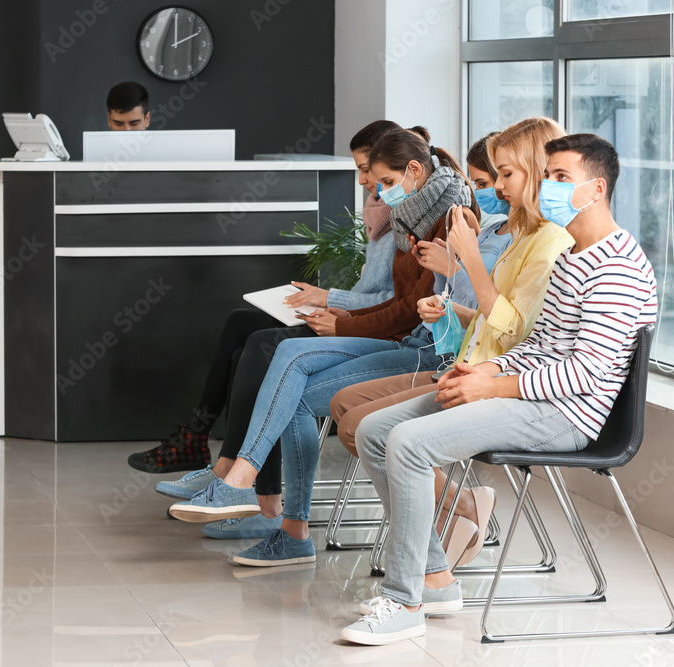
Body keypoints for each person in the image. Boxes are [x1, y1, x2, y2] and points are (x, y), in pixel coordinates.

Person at [339, 133, 657, 646]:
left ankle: (404, 599)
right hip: (526, 390)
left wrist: (496, 386)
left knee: (409, 443)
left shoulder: (616, 266)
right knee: (377, 431)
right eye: (547, 175)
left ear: (596, 189)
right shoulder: (574, 256)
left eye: (561, 178)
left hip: (565, 413)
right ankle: (436, 580)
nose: (547, 187)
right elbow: (539, 344)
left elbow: (585, 374)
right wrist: (483, 373)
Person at [166, 128, 480, 549]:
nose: (377, 191)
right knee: (288, 373)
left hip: (425, 353)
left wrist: (346, 323)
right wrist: (347, 315)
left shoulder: (449, 217)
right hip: (405, 341)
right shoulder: (414, 214)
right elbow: (404, 300)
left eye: (385, 182)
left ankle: (241, 479)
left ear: (415, 170)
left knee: (288, 353)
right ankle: (289, 529)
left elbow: (412, 309)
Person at [127, 122, 402, 538]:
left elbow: (394, 304)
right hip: (353, 317)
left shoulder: (404, 219)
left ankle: (247, 487)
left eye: (370, 172)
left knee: (262, 348)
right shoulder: (381, 211)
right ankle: (202, 444)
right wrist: (327, 297)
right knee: (242, 324)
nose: (364, 181)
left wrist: (332, 300)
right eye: (364, 171)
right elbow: (376, 290)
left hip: (370, 331)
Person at [331, 119, 574, 565]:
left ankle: (433, 554)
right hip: (470, 361)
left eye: (503, 175)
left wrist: (462, 264)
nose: (495, 189)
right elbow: (487, 319)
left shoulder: (551, 243)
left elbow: (515, 334)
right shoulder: (514, 234)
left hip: (491, 375)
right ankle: (450, 523)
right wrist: (450, 310)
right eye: (492, 177)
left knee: (378, 432)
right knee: (354, 416)